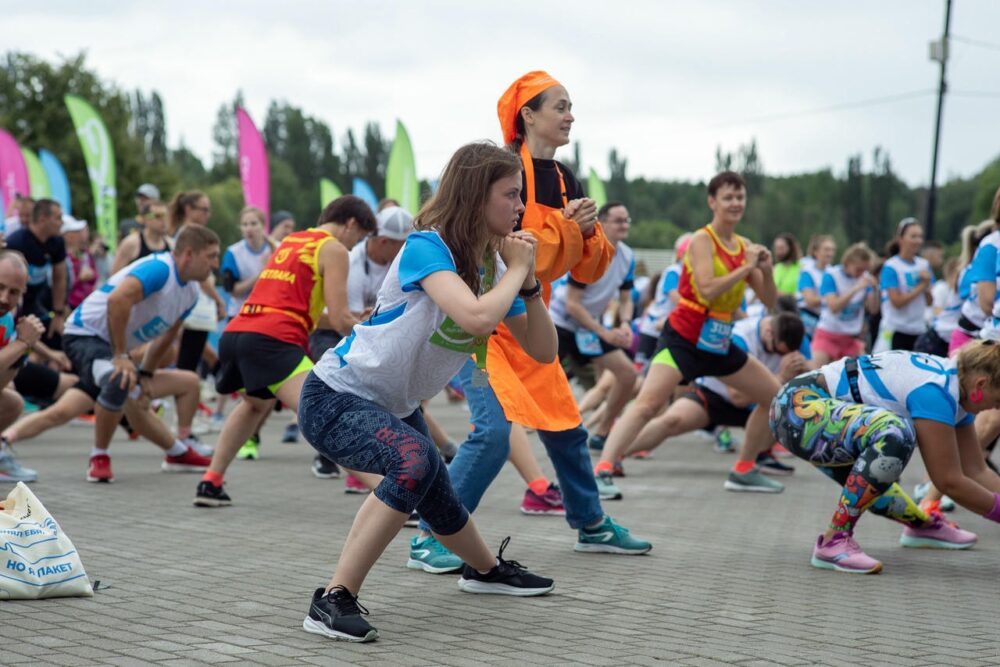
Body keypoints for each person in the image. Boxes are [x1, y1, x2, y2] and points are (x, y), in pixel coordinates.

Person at [299, 141, 556, 643]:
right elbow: (476, 316)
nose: (521, 207)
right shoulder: (426, 247)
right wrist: (519, 270)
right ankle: (332, 599)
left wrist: (527, 284)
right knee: (415, 460)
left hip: (392, 403)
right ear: (476, 196)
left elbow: (543, 351)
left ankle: (484, 571)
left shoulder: (495, 268)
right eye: (511, 195)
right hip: (334, 395)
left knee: (437, 491)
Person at [408, 71, 650, 575]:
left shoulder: (567, 182)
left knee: (566, 426)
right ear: (529, 115)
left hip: (528, 320)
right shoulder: (498, 174)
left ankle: (591, 523)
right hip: (483, 328)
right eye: (560, 106)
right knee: (493, 433)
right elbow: (511, 256)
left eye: (570, 107)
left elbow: (583, 267)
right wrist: (567, 229)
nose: (570, 115)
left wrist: (590, 234)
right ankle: (431, 535)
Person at [595, 171, 785, 496]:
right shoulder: (702, 240)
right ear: (712, 202)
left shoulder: (744, 247)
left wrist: (764, 271)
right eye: (728, 197)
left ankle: (744, 469)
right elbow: (708, 290)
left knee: (776, 397)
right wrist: (746, 267)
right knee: (648, 404)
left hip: (719, 342)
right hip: (683, 338)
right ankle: (601, 471)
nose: (735, 203)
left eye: (740, 197)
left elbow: (769, 302)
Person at [193, 195, 377, 507]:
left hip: (239, 332)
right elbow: (340, 319)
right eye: (357, 239)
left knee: (254, 406)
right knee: (324, 412)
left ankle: (211, 482)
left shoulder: (292, 241)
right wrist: (372, 330)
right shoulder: (332, 248)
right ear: (350, 224)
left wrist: (351, 320)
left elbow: (307, 313)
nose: (352, 248)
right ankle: (395, 496)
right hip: (271, 340)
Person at [769, 343, 1000, 574]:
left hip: (820, 414)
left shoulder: (957, 389)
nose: (996, 408)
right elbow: (948, 481)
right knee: (896, 434)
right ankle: (833, 541)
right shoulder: (936, 391)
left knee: (869, 482)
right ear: (981, 385)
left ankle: (920, 526)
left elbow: (976, 471)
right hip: (796, 410)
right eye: (998, 401)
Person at [62, 225, 220, 482]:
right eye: (211, 256)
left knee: (140, 393)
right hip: (84, 334)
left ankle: (177, 453)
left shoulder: (191, 293)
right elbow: (117, 301)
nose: (215, 264)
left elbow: (166, 337)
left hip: (112, 345)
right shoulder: (159, 269)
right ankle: (99, 457)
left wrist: (146, 372)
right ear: (189, 253)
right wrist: (122, 356)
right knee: (119, 378)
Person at [615, 312, 811, 475]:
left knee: (784, 406)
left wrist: (804, 370)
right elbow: (738, 397)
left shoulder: (796, 338)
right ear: (768, 332)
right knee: (670, 421)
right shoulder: (741, 338)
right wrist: (781, 377)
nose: (779, 356)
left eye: (784, 353)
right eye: (775, 350)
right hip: (715, 396)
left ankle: (754, 460)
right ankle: (616, 454)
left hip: (757, 407)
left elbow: (814, 379)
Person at [307, 205, 414, 477]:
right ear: (383, 241)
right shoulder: (352, 261)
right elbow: (344, 322)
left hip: (366, 327)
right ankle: (331, 458)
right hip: (332, 330)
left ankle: (421, 453)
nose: (406, 251)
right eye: (401, 245)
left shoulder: (398, 261)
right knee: (343, 387)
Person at [548, 201, 636, 450]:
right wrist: (605, 333)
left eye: (627, 220)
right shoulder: (591, 249)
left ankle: (603, 431)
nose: (624, 225)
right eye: (619, 220)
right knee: (540, 378)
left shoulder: (627, 256)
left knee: (628, 375)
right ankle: (523, 425)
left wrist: (627, 323)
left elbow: (626, 298)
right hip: (561, 322)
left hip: (588, 327)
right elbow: (572, 304)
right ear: (603, 223)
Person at [0, 250, 47, 482]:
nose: (4, 298)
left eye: (13, 292)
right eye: (0, 288)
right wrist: (21, 343)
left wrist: (25, 348)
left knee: (11, 401)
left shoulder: (6, 320)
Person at [168, 191, 226, 375]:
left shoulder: (183, 234)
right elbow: (199, 276)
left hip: (191, 301)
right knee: (187, 361)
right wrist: (218, 299)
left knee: (192, 355)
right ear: (188, 209)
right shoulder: (188, 236)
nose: (207, 215)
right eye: (204, 210)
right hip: (193, 302)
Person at [5, 199, 68, 349]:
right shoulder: (16, 242)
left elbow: (59, 277)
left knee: (56, 337)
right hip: (12, 302)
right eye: (58, 218)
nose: (62, 223)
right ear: (42, 219)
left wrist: (58, 314)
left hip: (35, 301)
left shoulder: (57, 242)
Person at [810, 243, 879, 366]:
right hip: (828, 335)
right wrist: (856, 288)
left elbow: (873, 309)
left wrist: (874, 289)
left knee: (863, 376)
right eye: (858, 269)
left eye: (865, 270)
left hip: (850, 338)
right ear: (848, 262)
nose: (861, 273)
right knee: (816, 375)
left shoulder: (865, 278)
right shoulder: (831, 275)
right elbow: (834, 307)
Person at [875, 218, 933, 352]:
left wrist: (927, 287)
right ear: (900, 239)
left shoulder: (923, 264)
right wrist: (921, 285)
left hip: (918, 329)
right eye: (913, 236)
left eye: (920, 237)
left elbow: (930, 302)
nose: (918, 241)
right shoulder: (891, 266)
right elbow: (896, 301)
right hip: (895, 330)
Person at [111, 199, 172, 273]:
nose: (163, 220)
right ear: (145, 218)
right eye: (158, 216)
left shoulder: (171, 244)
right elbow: (114, 276)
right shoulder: (131, 243)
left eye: (165, 216)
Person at [797, 235, 835, 337]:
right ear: (816, 252)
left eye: (832, 250)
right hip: (807, 317)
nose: (830, 253)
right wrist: (832, 298)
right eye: (826, 250)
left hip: (824, 318)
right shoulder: (808, 272)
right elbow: (809, 301)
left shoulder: (833, 272)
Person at [63, 216, 97, 309]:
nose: (81, 235)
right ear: (67, 236)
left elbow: (94, 276)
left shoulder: (85, 254)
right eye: (76, 232)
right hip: (69, 307)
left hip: (87, 304)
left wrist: (91, 274)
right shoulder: (61, 258)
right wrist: (79, 279)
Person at [772, 232, 801, 297]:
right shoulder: (776, 268)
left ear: (791, 248)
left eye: (781, 248)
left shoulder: (801, 268)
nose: (778, 252)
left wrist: (780, 294)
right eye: (776, 248)